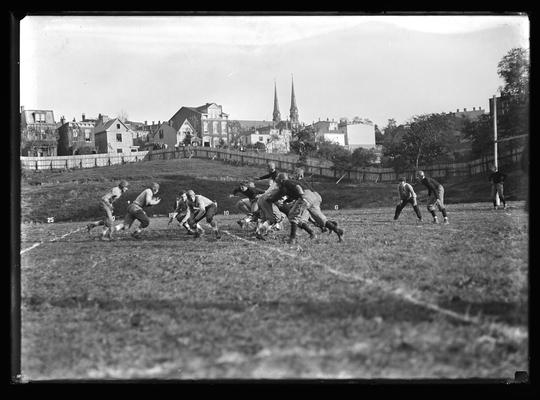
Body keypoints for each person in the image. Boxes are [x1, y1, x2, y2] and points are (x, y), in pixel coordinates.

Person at [267, 173, 343, 244]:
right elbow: (283, 194)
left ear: (281, 180)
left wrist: (302, 197)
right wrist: (282, 200)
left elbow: (298, 187)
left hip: (305, 196)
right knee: (319, 219)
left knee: (293, 215)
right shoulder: (287, 185)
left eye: (277, 182)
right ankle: (337, 230)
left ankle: (292, 238)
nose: (277, 184)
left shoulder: (286, 182)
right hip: (312, 196)